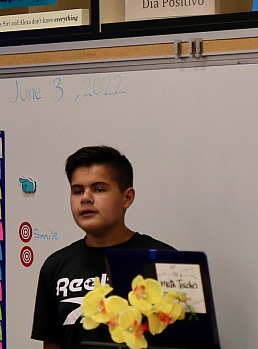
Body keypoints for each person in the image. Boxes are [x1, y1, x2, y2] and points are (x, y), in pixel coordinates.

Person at [31, 145, 175, 349]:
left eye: (99, 189)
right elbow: (52, 342)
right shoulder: (55, 265)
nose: (85, 198)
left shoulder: (165, 260)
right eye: (77, 190)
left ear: (127, 198)